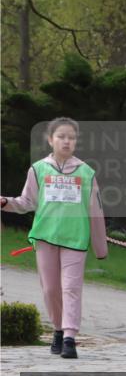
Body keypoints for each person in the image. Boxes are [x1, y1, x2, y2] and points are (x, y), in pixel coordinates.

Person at [1, 117, 108, 359]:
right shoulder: (38, 169)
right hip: (45, 238)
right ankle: (58, 330)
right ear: (50, 140)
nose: (67, 141)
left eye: (71, 137)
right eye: (61, 136)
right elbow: (27, 202)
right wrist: (7, 203)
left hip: (75, 240)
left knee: (70, 288)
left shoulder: (86, 172)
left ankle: (69, 337)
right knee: (50, 289)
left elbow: (96, 211)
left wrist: (100, 248)